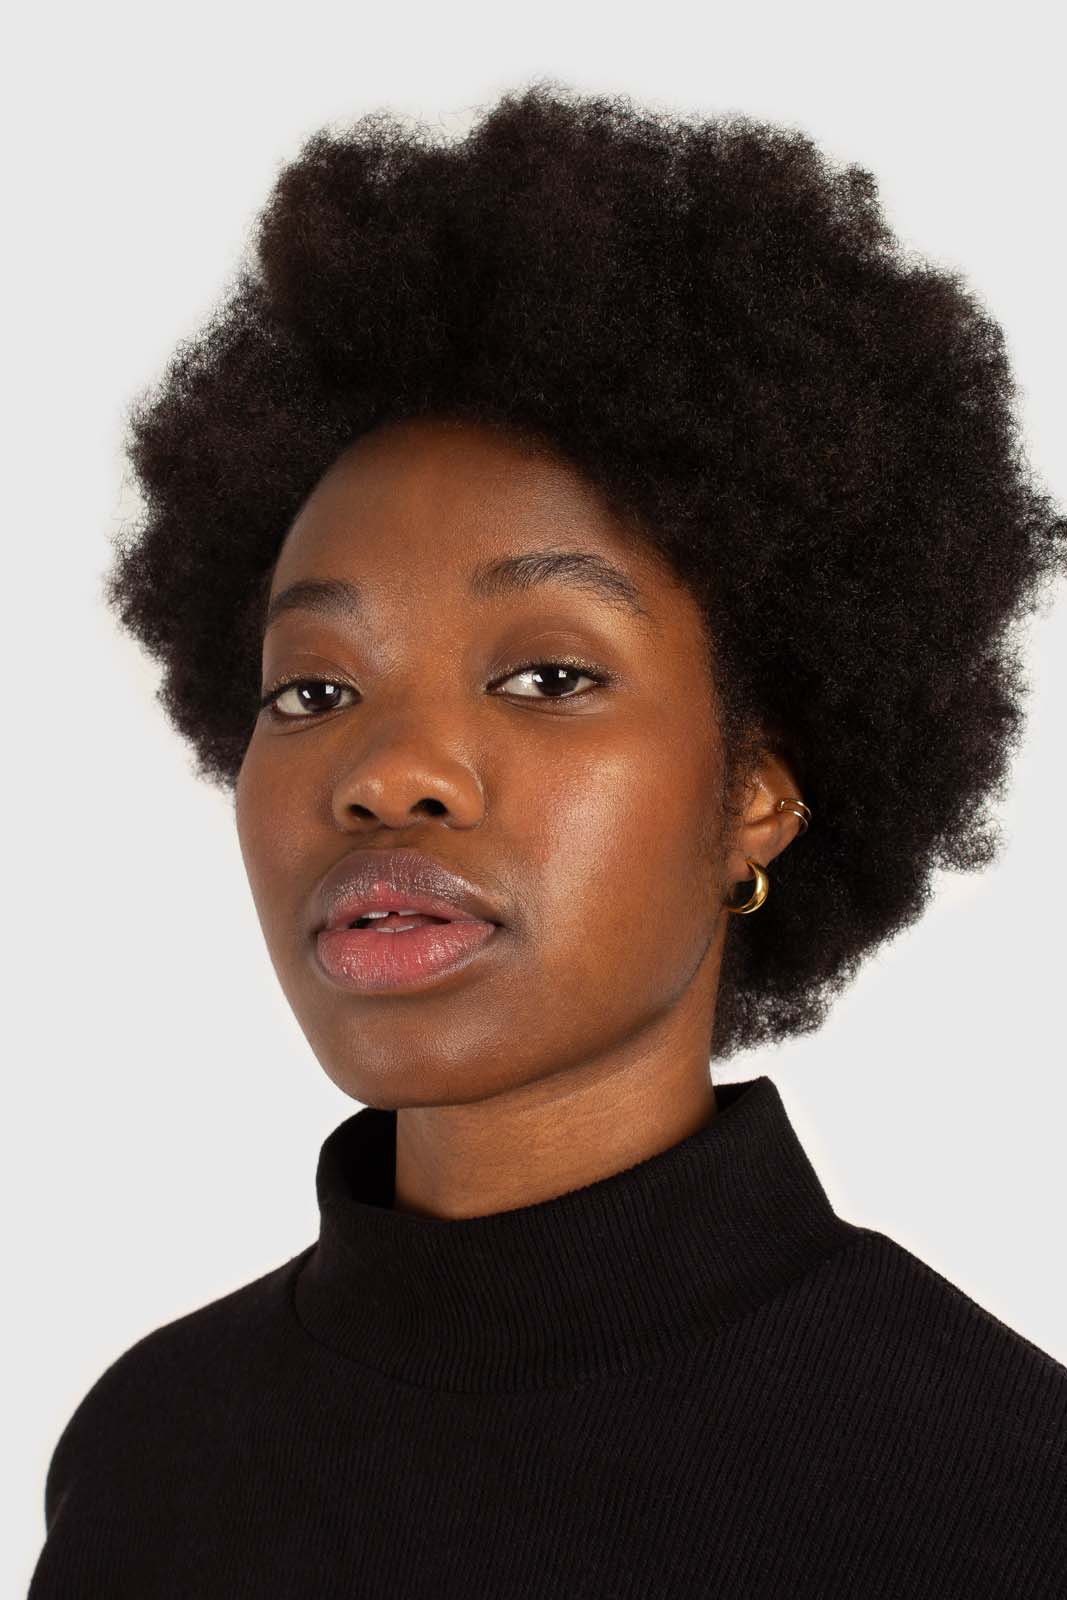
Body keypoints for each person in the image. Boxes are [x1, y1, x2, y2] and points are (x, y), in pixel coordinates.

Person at [29, 81, 1067, 1597]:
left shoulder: (999, 1498)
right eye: (313, 689)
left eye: (548, 677)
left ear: (756, 792)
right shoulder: (149, 1456)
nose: (389, 775)